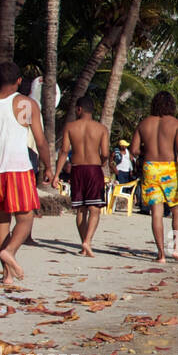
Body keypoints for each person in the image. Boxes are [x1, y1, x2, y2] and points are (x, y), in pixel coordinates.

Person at [0, 61, 49, 282]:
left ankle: (6, 276)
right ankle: (9, 252)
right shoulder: (26, 104)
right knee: (26, 218)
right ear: (19, 81)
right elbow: (40, 141)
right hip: (18, 168)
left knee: (2, 221)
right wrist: (48, 167)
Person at [130, 91, 178, 263]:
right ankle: (175, 248)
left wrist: (146, 151)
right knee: (177, 210)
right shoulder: (176, 124)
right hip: (169, 168)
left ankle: (161, 254)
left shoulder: (144, 124)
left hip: (150, 168)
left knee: (156, 212)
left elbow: (133, 150)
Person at [52, 95, 109, 256]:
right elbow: (105, 152)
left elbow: (63, 152)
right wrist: (103, 162)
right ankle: (87, 241)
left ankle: (84, 242)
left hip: (77, 169)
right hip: (93, 169)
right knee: (95, 209)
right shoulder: (101, 129)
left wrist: (57, 175)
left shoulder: (70, 127)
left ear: (79, 109)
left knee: (81, 210)